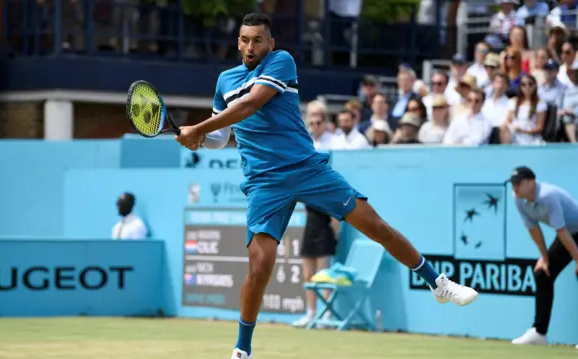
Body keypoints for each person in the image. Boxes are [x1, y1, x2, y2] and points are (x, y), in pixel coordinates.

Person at [173, 13, 478, 359]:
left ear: (270, 43)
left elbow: (252, 103)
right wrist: (199, 139)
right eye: (244, 39)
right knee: (260, 266)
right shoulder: (224, 81)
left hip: (306, 168)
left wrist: (198, 127)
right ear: (238, 42)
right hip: (264, 182)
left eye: (258, 39)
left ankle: (438, 283)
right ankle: (242, 350)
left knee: (375, 225)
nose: (250, 46)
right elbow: (219, 137)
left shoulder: (281, 61)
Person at [509, 166, 578, 346]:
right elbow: (534, 229)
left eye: (518, 183)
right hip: (568, 235)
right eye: (513, 184)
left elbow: (561, 231)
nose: (514, 187)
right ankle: (539, 333)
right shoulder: (518, 199)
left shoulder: (548, 196)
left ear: (531, 182)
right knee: (543, 273)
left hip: (570, 233)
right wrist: (545, 258)